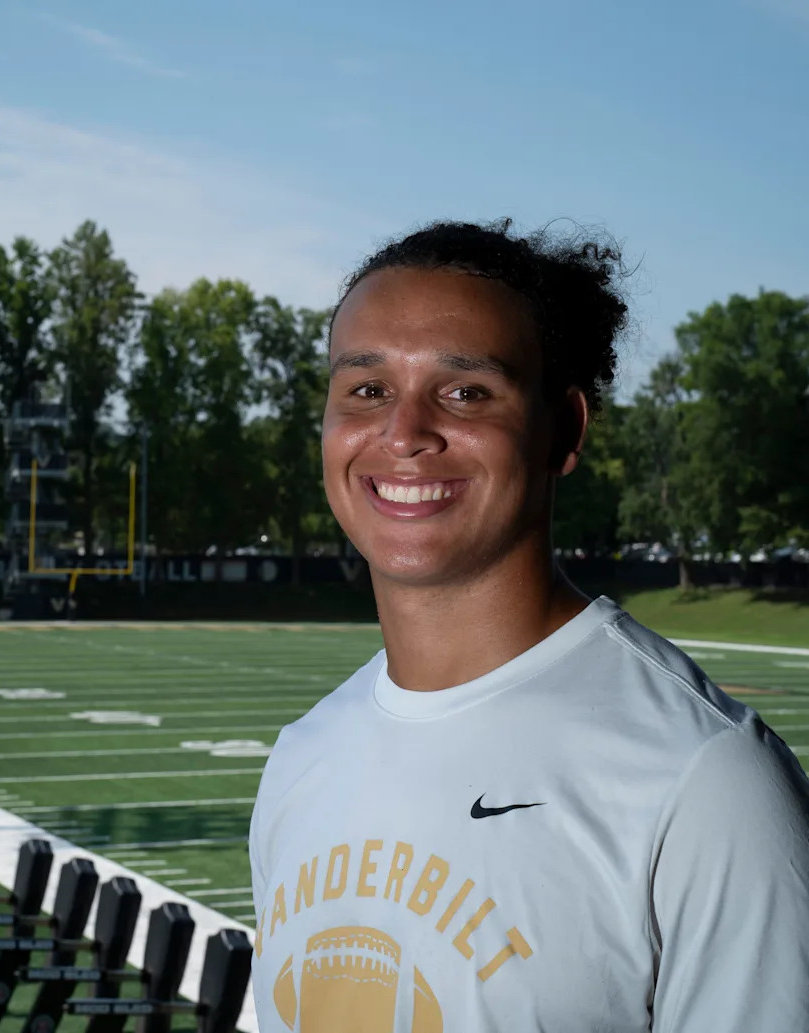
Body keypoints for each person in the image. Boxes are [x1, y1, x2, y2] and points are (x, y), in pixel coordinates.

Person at [247, 220, 809, 1032]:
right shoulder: (300, 757)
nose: (403, 433)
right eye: (366, 390)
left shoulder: (706, 782)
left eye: (466, 391)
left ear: (565, 429)